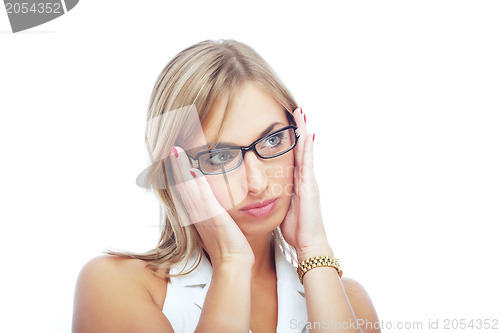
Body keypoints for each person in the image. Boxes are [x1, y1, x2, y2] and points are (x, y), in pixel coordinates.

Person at [72, 39, 380, 333]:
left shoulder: (349, 304)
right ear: (175, 172)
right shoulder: (115, 285)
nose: (258, 183)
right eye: (220, 156)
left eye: (273, 140)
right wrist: (231, 264)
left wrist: (313, 249)